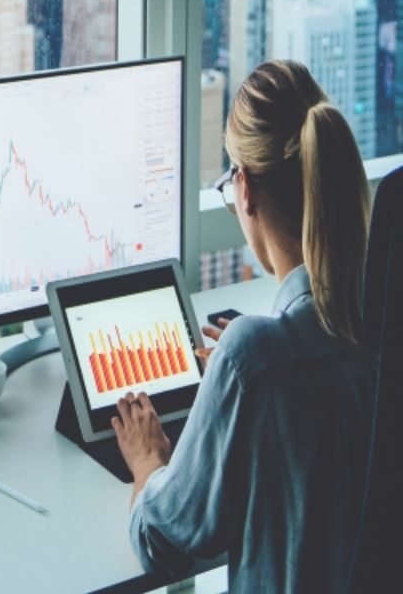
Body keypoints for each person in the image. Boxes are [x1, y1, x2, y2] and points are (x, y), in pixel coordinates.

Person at [112, 61, 374, 592]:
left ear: (245, 189)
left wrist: (148, 461)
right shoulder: (379, 316)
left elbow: (163, 546)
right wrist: (241, 382)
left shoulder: (252, 357)